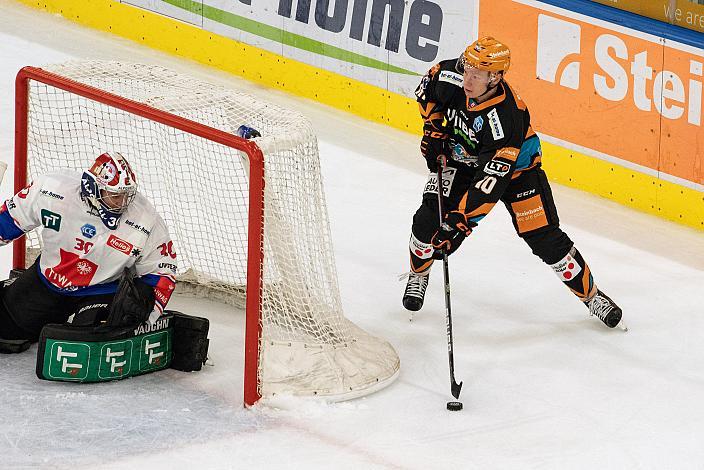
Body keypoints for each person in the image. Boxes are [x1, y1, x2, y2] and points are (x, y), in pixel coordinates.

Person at [402, 36, 623, 329]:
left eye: (477, 75)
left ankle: (592, 297)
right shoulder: (448, 74)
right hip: (461, 162)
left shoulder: (507, 117)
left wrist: (460, 222)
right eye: (467, 70)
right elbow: (427, 92)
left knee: (545, 238)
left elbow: (491, 181)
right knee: (427, 221)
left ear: (495, 77)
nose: (468, 79)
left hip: (517, 172)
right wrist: (433, 130)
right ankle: (418, 275)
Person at [0, 151, 177, 352]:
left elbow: (163, 270)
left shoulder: (145, 218)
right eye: (115, 196)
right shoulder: (52, 189)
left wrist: (146, 309)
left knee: (84, 344)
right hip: (47, 282)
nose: (122, 203)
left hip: (101, 292)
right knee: (5, 328)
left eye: (126, 195)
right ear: (92, 187)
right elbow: (9, 220)